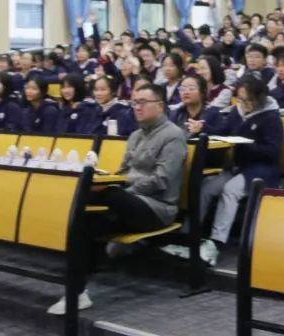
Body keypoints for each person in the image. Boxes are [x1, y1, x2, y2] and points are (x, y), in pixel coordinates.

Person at [47, 83, 187, 315]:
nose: (137, 107)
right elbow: (122, 172)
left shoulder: (173, 136)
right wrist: (111, 183)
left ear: (160, 106)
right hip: (125, 203)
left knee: (109, 194)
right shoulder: (135, 135)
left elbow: (161, 180)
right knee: (83, 222)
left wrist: (122, 189)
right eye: (135, 103)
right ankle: (76, 293)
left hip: (156, 208)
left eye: (143, 102)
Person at [194, 77, 283, 266]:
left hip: (261, 170)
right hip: (238, 166)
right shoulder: (237, 111)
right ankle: (192, 234)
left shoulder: (271, 117)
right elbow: (223, 131)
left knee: (230, 190)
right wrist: (203, 128)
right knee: (206, 187)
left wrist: (247, 145)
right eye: (241, 99)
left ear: (259, 98)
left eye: (249, 100)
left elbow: (273, 152)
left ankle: (216, 242)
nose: (244, 104)